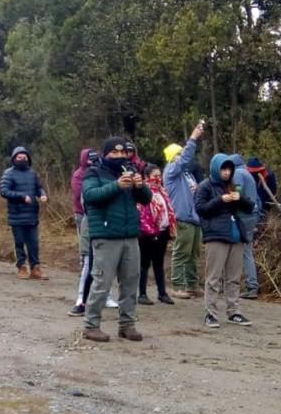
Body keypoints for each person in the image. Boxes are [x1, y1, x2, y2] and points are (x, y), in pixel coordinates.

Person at [81, 137, 151, 342]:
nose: (119, 156)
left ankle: (127, 325)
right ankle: (91, 325)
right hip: (106, 234)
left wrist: (140, 186)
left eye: (123, 153)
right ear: (106, 154)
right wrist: (116, 186)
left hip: (130, 234)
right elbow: (90, 195)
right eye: (114, 153)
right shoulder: (93, 172)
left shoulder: (129, 170)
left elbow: (146, 200)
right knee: (102, 281)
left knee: (130, 282)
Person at [195, 154, 256, 328]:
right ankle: (210, 313)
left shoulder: (233, 185)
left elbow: (250, 207)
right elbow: (200, 209)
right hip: (216, 235)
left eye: (229, 169)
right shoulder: (205, 186)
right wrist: (220, 200)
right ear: (216, 168)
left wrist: (240, 198)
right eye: (223, 169)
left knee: (234, 277)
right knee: (214, 277)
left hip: (235, 234)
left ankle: (234, 311)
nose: (226, 172)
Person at [163, 120, 206, 299]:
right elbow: (186, 158)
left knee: (194, 253)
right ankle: (177, 285)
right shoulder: (171, 171)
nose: (182, 156)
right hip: (182, 217)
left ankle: (192, 284)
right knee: (181, 251)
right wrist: (193, 138)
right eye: (178, 154)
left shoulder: (186, 174)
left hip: (194, 218)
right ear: (172, 157)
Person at [0, 146, 48, 280]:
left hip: (32, 214)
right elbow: (4, 191)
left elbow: (39, 187)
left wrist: (43, 195)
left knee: (34, 243)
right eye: (19, 157)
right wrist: (21, 196)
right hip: (16, 215)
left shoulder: (32, 173)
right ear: (14, 159)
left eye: (24, 157)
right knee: (19, 242)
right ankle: (21, 267)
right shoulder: (8, 173)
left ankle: (35, 268)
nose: (22, 159)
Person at [137, 163, 175, 305]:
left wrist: (169, 229)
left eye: (159, 176)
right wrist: (150, 231)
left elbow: (168, 210)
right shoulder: (143, 190)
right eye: (155, 176)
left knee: (159, 263)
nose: (158, 178)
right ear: (147, 177)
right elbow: (142, 213)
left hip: (162, 231)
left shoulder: (162, 191)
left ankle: (162, 293)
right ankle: (142, 293)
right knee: (144, 264)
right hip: (147, 233)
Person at [69, 149, 100, 316]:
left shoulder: (104, 173)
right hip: (84, 217)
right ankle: (81, 299)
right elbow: (81, 197)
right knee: (88, 259)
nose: (92, 162)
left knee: (103, 264)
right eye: (89, 159)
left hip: (102, 222)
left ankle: (104, 296)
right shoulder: (79, 175)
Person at [229, 153, 262, 299]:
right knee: (246, 251)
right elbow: (257, 200)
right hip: (252, 215)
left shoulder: (237, 174)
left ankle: (250, 286)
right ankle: (251, 285)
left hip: (242, 217)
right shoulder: (247, 173)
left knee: (240, 251)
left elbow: (236, 194)